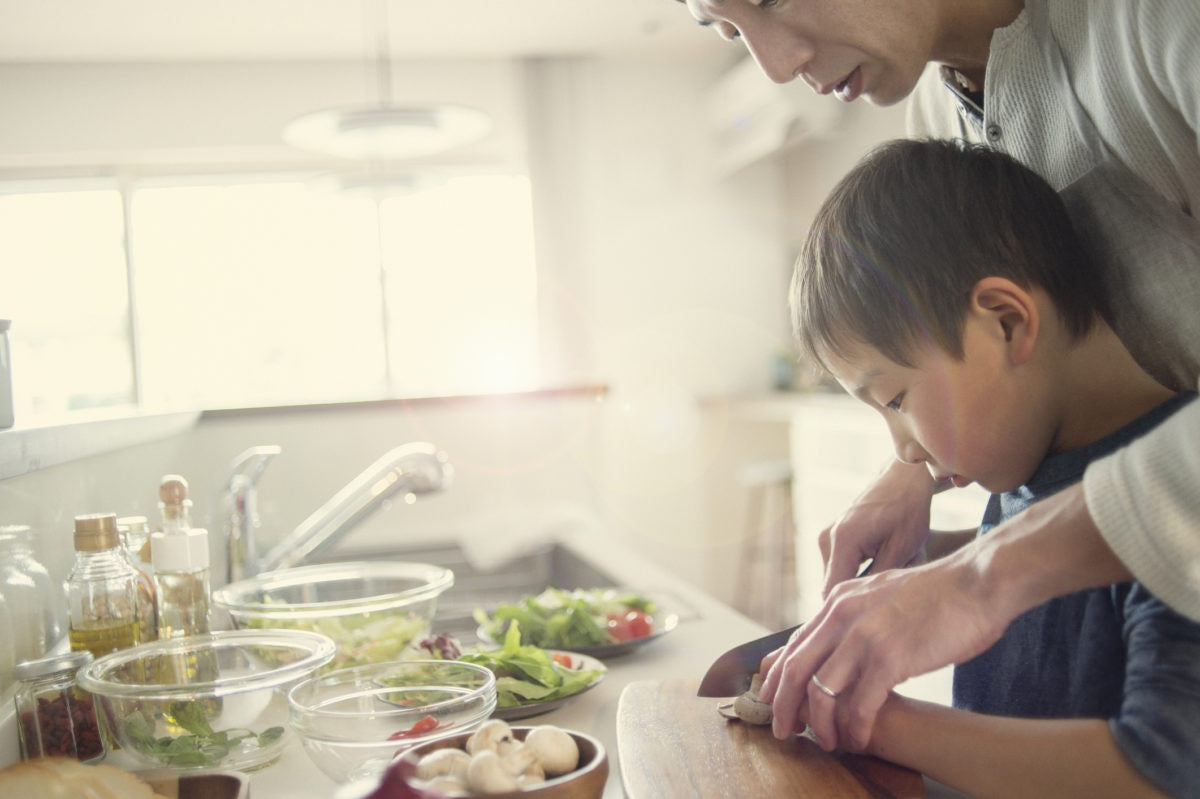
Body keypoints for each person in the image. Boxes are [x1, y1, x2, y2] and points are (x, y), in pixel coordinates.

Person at [680, 0, 1200, 752]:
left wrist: (984, 577)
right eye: (727, 30)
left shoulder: (1164, 22)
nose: (774, 67)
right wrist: (915, 478)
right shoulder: (931, 99)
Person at [764, 137, 1198, 798]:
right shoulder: (1039, 466)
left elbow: (1161, 770)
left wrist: (874, 722)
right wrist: (925, 566)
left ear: (1005, 321)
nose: (904, 452)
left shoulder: (1176, 492)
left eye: (897, 399)